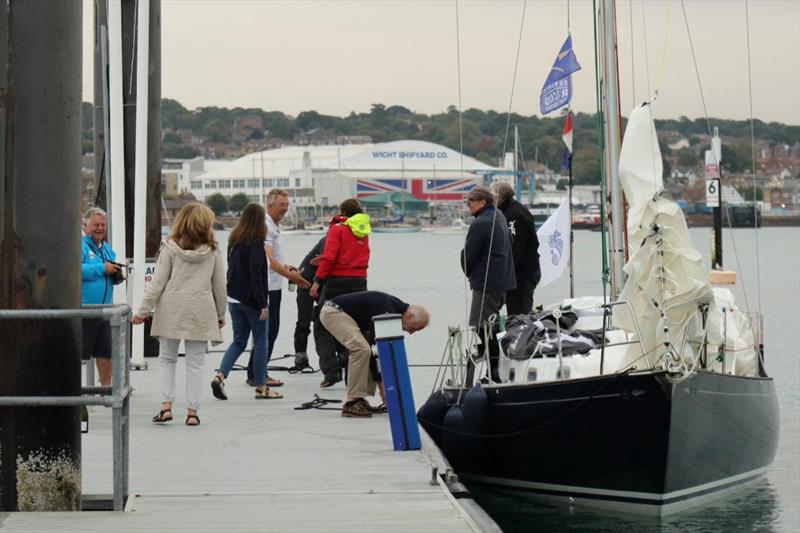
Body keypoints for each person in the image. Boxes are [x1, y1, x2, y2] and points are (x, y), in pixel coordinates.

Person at [132, 202, 226, 426]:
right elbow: (220, 285)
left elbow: (157, 284)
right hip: (200, 310)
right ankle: (193, 412)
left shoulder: (170, 248)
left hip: (171, 309)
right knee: (195, 363)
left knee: (166, 359)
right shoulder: (213, 250)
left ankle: (166, 407)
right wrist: (220, 313)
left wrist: (142, 311)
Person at [210, 203, 282, 400]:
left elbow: (232, 270)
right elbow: (256, 276)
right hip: (252, 301)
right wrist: (263, 304)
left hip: (233, 298)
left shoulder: (234, 241)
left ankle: (220, 375)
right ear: (259, 221)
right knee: (260, 342)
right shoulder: (256, 244)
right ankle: (261, 386)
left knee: (239, 341)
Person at [319, 291, 429, 418]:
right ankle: (352, 402)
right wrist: (384, 392)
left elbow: (377, 352)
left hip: (340, 312)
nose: (411, 333)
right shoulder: (387, 311)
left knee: (366, 351)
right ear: (409, 316)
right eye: (415, 328)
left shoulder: (393, 311)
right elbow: (375, 351)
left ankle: (359, 399)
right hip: (333, 312)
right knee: (361, 349)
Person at [246, 188, 309, 386]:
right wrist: (294, 278)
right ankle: (259, 374)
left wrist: (286, 267)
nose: (285, 209)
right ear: (271, 205)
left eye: (287, 206)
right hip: (268, 287)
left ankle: (255, 372)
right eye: (282, 205)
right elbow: (269, 260)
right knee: (269, 332)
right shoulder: (266, 225)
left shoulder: (272, 224)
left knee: (268, 331)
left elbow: (275, 261)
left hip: (274, 284)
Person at [310, 199, 371, 388]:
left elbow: (330, 258)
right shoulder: (364, 231)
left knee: (321, 324)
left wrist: (317, 281)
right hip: (359, 283)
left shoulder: (338, 229)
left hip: (337, 283)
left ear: (343, 212)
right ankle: (350, 368)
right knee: (353, 326)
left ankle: (331, 371)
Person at [461, 186, 516, 381]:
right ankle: (495, 366)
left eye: (470, 201)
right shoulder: (499, 216)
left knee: (481, 326)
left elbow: (469, 255)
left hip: (487, 283)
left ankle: (493, 371)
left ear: (482, 202)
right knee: (490, 326)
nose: (468, 205)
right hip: (502, 281)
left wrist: (468, 271)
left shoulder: (481, 223)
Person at [81, 206, 124, 386]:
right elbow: (75, 270)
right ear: (85, 225)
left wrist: (116, 276)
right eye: (95, 225)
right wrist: (102, 269)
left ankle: (106, 388)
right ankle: (74, 393)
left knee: (105, 352)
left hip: (105, 311)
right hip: (84, 310)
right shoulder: (80, 246)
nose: (100, 228)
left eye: (103, 225)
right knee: (80, 354)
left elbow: (107, 274)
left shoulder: (107, 249)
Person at [493, 181, 541, 316]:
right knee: (515, 310)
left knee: (519, 313)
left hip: (522, 273)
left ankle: (521, 333)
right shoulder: (512, 211)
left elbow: (516, 246)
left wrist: (505, 270)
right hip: (519, 272)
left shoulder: (514, 215)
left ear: (499, 197)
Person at [291, 235, 326, 370]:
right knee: (303, 320)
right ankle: (300, 358)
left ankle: (337, 356)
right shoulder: (328, 240)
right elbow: (325, 264)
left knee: (330, 319)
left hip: (321, 281)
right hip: (305, 279)